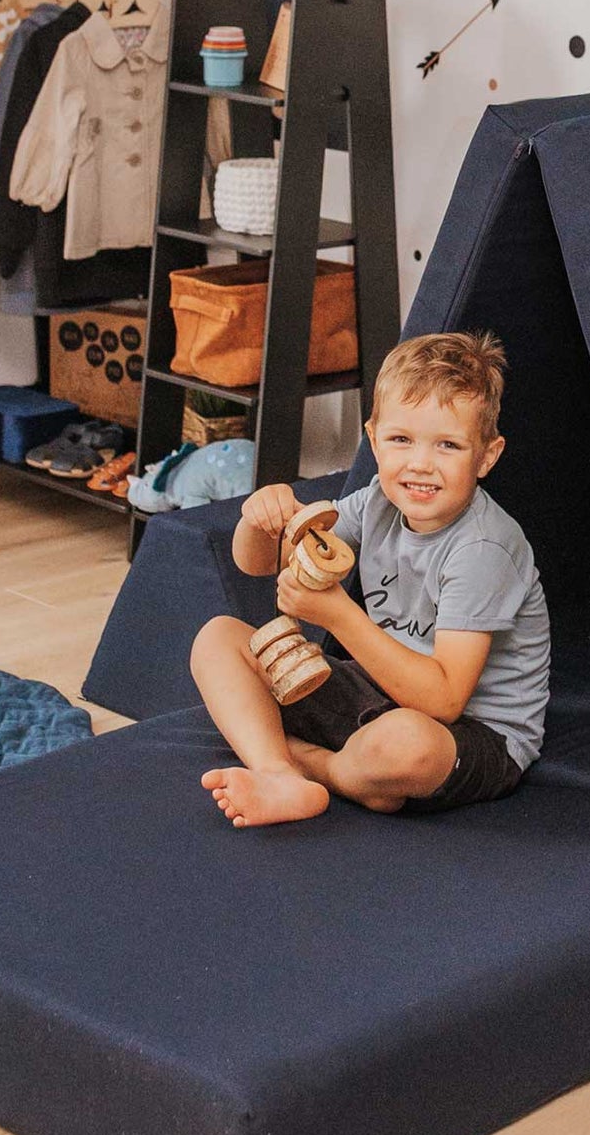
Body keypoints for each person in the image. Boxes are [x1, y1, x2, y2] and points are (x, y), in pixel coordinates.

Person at [191, 331, 550, 827]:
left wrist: (339, 616)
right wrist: (258, 520)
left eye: (448, 445)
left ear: (486, 456)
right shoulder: (378, 501)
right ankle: (280, 774)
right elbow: (258, 562)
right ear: (374, 439)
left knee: (406, 743)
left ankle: (318, 766)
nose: (420, 464)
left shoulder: (483, 548)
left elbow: (443, 702)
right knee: (219, 638)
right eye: (401, 440)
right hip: (379, 691)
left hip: (471, 732)